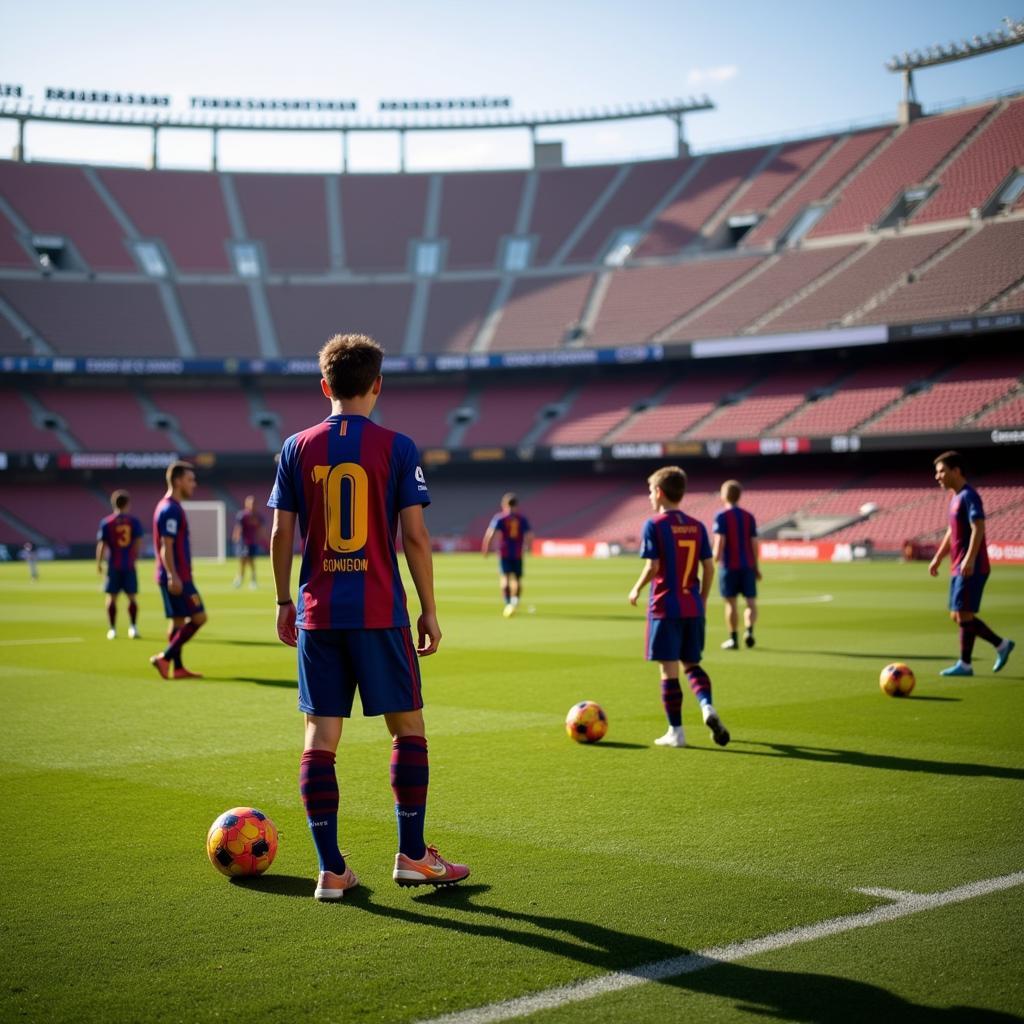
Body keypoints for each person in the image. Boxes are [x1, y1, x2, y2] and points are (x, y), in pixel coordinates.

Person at [268, 332, 469, 902]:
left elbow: (282, 531)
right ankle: (411, 855)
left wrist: (284, 600)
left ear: (324, 385)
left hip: (319, 613)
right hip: (381, 612)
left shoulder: (295, 447)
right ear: (377, 386)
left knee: (319, 738)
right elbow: (415, 535)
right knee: (407, 729)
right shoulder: (398, 447)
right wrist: (429, 608)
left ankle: (331, 870)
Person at [628, 466, 730, 749]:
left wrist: (636, 588)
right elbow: (708, 567)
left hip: (664, 607)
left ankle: (676, 732)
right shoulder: (697, 526)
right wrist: (703, 597)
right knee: (692, 664)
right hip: (692, 606)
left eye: (650, 491)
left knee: (668, 670)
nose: (649, 496)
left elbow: (654, 566)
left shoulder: (654, 525)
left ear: (659, 493)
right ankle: (707, 706)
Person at [928, 451, 1014, 676]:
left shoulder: (969, 496)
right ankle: (1001, 645)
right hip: (959, 565)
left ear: (956, 471)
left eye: (941, 471)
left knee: (963, 614)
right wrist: (938, 556)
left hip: (971, 565)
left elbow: (979, 527)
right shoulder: (955, 497)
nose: (938, 476)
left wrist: (970, 558)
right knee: (956, 615)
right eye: (936, 472)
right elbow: (951, 531)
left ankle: (966, 664)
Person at [150, 461, 207, 680]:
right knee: (199, 618)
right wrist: (173, 575)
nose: (194, 484)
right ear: (177, 480)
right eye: (190, 480)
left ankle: (178, 668)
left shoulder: (166, 506)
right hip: (177, 577)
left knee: (177, 622)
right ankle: (164, 657)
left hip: (172, 575)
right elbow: (167, 546)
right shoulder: (171, 509)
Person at [712, 479, 761, 650]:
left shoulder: (721, 516)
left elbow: (720, 543)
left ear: (724, 496)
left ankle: (733, 639)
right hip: (747, 565)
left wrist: (713, 560)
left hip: (729, 566)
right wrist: (756, 566)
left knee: (731, 604)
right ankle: (749, 631)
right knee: (750, 602)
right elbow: (754, 543)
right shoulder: (749, 517)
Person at [96, 489, 143, 639]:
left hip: (113, 565)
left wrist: (99, 562)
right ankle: (133, 627)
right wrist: (134, 557)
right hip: (129, 565)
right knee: (132, 598)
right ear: (128, 504)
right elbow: (137, 542)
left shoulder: (106, 522)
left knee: (111, 598)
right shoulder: (134, 522)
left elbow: (102, 545)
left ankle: (112, 629)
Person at [481, 493, 533, 617]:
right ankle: (515, 602)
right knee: (517, 579)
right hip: (518, 552)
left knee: (505, 578)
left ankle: (508, 603)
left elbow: (490, 534)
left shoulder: (499, 518)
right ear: (517, 505)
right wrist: (528, 547)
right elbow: (530, 535)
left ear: (504, 505)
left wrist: (486, 548)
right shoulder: (522, 519)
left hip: (504, 552)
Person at [231, 495, 265, 589]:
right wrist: (236, 538)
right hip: (243, 542)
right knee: (242, 561)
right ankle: (239, 579)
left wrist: (263, 540)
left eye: (254, 503)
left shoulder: (258, 516)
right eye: (251, 503)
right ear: (247, 504)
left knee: (252, 561)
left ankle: (253, 580)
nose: (252, 505)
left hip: (252, 542)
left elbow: (260, 529)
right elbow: (238, 528)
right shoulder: (242, 515)